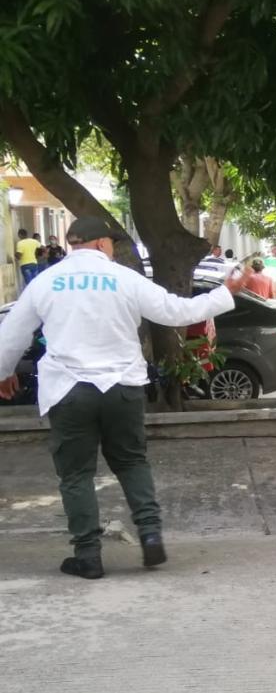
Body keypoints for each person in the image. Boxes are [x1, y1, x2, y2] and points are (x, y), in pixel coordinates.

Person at [0, 216, 254, 579]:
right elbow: (176, 311)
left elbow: (11, 334)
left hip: (68, 390)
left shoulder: (45, 281)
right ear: (103, 244)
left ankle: (88, 555)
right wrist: (224, 293)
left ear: (73, 244)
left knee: (76, 475)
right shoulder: (124, 278)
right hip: (122, 387)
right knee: (132, 462)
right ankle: (150, 535)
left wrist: (4, 372)